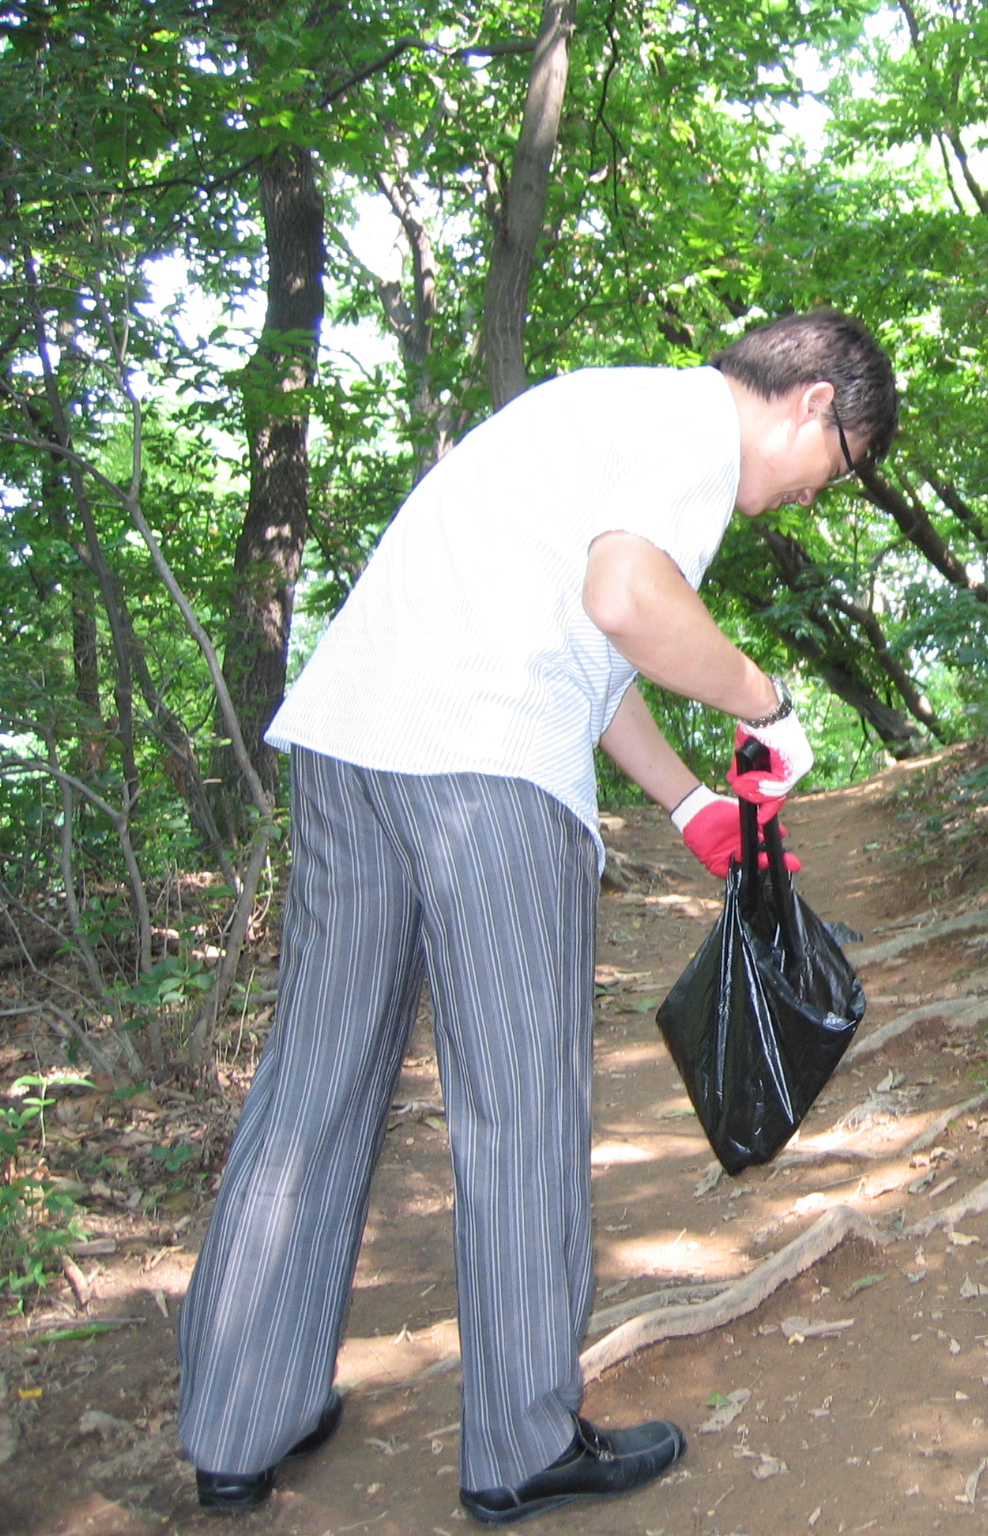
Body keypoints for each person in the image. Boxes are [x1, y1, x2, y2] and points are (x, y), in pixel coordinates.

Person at [176, 310, 898, 1525]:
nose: (808, 496)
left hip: (355, 745)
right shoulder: (694, 431)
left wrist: (686, 808)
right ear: (811, 403)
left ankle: (240, 1422)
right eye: (836, 468)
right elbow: (627, 600)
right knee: (517, 1109)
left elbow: (589, 646)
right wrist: (763, 701)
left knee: (310, 1089)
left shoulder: (604, 406)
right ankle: (518, 1446)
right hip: (486, 773)